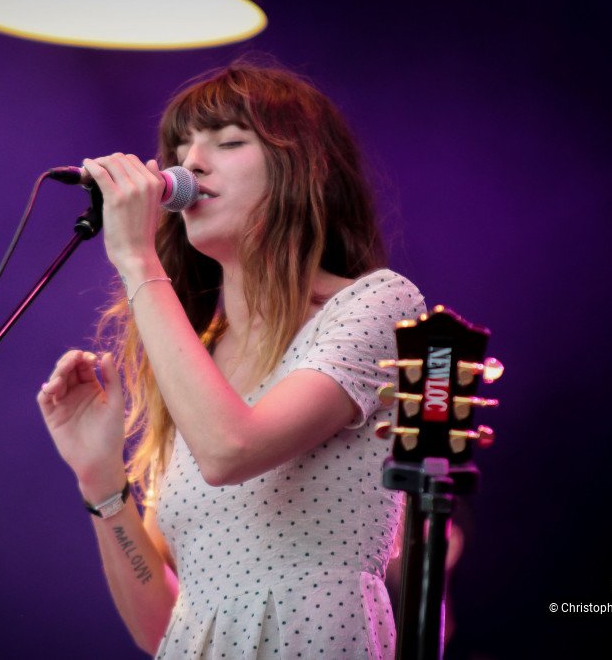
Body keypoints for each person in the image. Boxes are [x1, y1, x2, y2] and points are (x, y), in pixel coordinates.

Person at [37, 59, 426, 659]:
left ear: (305, 169)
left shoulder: (377, 303)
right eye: (182, 144)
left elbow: (230, 449)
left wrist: (138, 261)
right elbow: (167, 627)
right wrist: (102, 479)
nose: (188, 162)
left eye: (229, 141)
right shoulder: (193, 355)